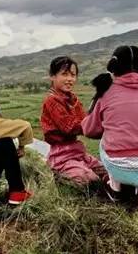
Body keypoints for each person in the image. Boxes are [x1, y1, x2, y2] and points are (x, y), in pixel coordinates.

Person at [81, 46, 138, 211]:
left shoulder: (106, 94)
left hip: (121, 168)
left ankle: (115, 189)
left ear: (114, 67)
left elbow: (89, 130)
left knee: (106, 138)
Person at [40, 56, 106, 185]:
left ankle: (114, 187)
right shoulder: (51, 100)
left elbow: (84, 120)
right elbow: (70, 127)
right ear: (52, 76)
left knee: (106, 170)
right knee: (89, 179)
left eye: (73, 75)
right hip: (61, 155)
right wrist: (98, 124)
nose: (70, 79)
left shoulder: (73, 99)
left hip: (77, 151)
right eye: (64, 74)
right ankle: (58, 174)